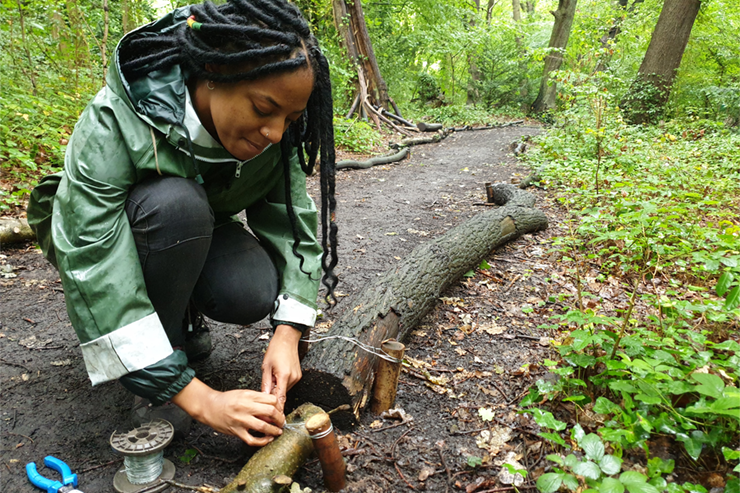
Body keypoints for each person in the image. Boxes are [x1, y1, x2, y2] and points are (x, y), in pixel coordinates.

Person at [26, 0, 338, 447]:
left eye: (288, 119)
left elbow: (292, 223)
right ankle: (160, 365)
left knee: (249, 287)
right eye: (263, 108)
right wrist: (200, 398)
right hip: (121, 232)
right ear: (214, 70)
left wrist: (288, 333)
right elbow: (92, 257)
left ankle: (181, 317)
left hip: (197, 227)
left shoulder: (275, 134)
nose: (274, 132)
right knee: (176, 206)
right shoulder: (118, 118)